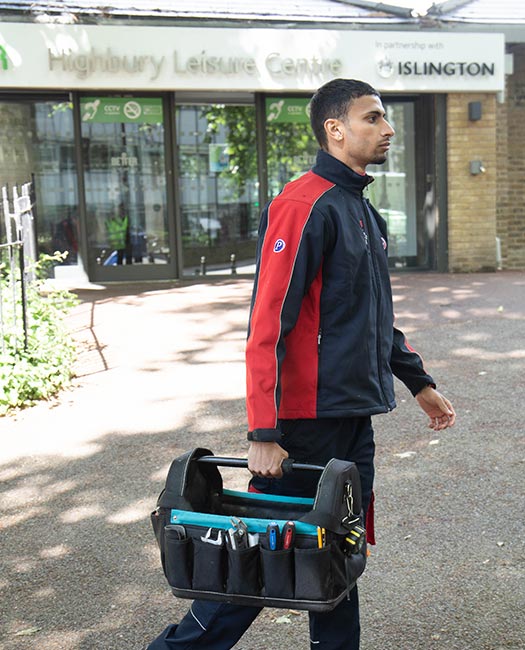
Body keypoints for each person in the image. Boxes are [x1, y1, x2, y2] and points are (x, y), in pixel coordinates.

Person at [147, 78, 456, 650]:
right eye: (373, 118)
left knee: (337, 550)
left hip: (351, 416)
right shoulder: (302, 204)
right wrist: (263, 433)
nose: (388, 130)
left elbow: (372, 315)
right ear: (335, 129)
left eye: (385, 119)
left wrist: (418, 381)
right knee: (264, 557)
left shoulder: (361, 210)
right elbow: (266, 328)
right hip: (304, 425)